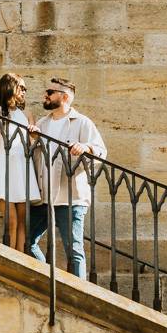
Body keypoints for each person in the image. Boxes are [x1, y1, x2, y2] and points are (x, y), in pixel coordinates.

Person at [27, 77, 106, 278]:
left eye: (50, 92)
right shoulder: (42, 123)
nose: (45, 95)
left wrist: (85, 147)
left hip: (70, 197)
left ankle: (80, 295)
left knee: (74, 251)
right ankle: (49, 280)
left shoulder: (82, 122)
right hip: (43, 196)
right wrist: (34, 140)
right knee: (27, 241)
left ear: (64, 97)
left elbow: (100, 151)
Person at [0, 72, 39, 253]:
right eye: (22, 87)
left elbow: (31, 143)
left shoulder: (27, 113)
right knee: (10, 219)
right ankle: (11, 258)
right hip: (1, 165)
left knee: (23, 221)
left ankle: (20, 260)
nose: (25, 92)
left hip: (21, 165)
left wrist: (34, 133)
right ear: (10, 87)